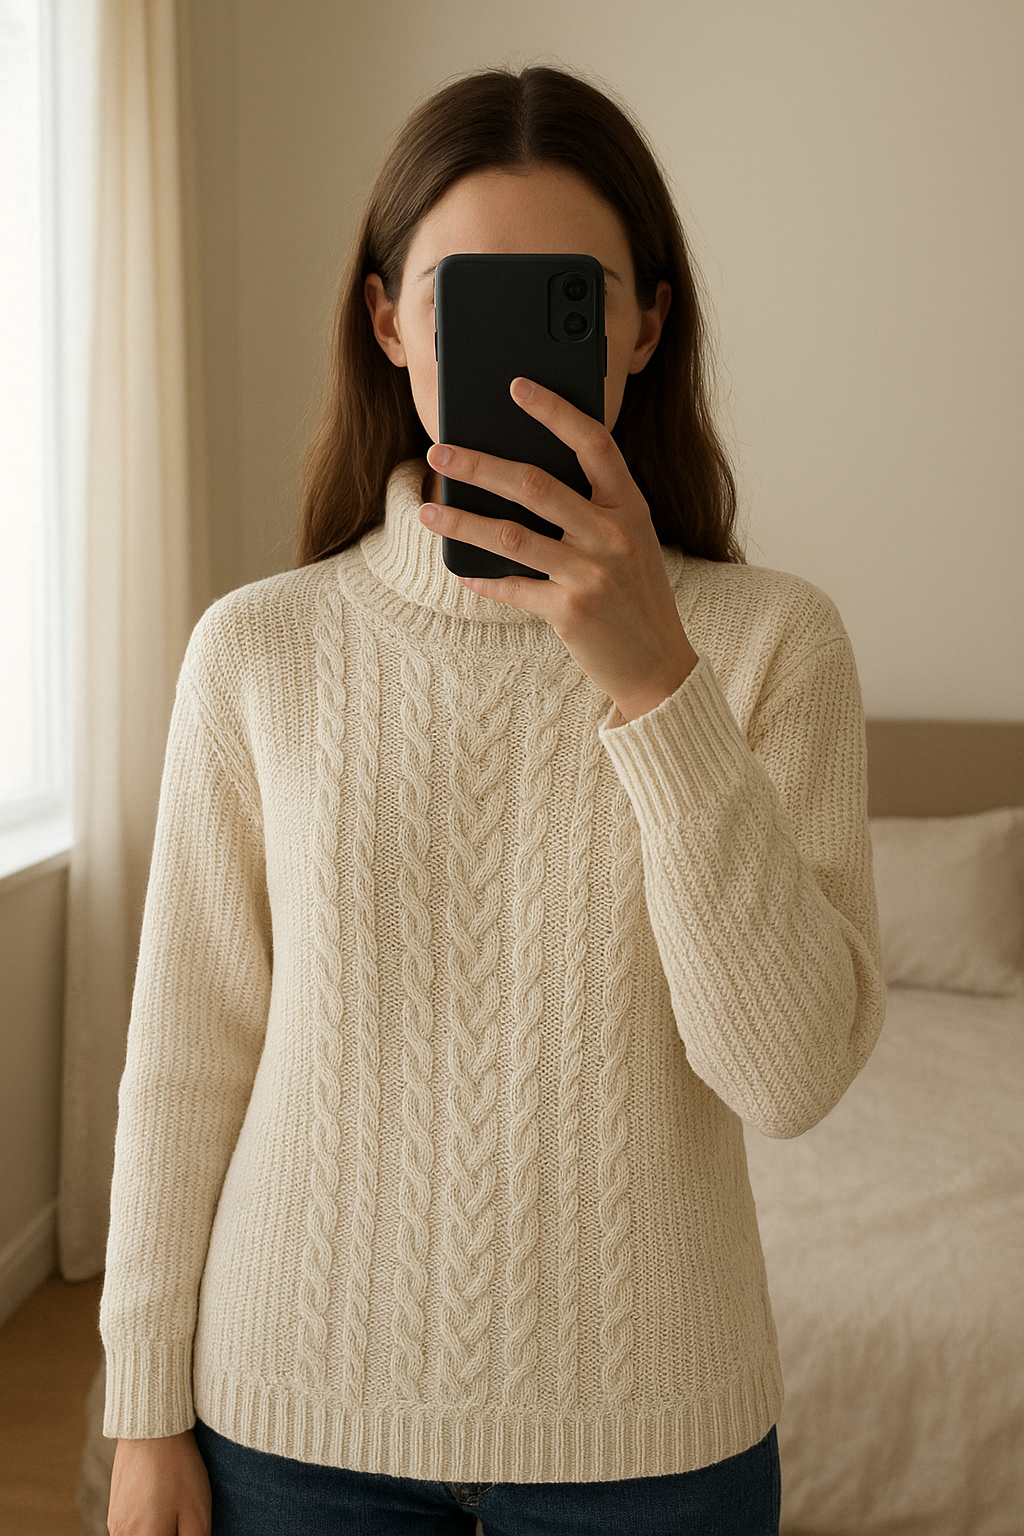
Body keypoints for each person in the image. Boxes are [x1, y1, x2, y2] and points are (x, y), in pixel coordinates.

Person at [102, 63, 886, 1536]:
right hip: (291, 1416)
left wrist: (656, 687)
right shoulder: (258, 651)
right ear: (388, 320)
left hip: (655, 1437)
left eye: (568, 299)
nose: (517, 358)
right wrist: (143, 1415)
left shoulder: (774, 642)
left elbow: (789, 1078)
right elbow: (186, 1057)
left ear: (643, 325)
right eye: (464, 299)